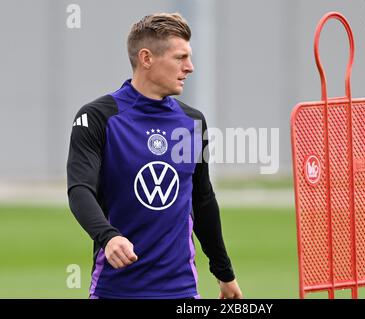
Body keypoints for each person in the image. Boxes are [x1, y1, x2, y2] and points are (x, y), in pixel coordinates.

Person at [66, 13, 242, 299]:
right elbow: (80, 190)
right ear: (146, 58)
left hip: (182, 291)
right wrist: (107, 237)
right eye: (180, 57)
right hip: (116, 290)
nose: (190, 67)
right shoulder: (98, 117)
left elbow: (203, 199)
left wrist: (224, 273)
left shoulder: (192, 123)